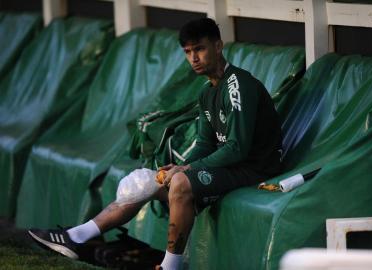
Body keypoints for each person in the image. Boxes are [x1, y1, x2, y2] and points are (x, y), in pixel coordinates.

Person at [28, 18, 283, 270]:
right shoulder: (207, 93)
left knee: (182, 182)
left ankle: (170, 266)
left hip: (255, 169)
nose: (193, 58)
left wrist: (186, 171)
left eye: (200, 49)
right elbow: (206, 143)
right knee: (146, 182)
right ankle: (75, 237)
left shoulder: (238, 85)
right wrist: (181, 166)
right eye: (187, 52)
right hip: (229, 167)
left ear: (218, 46)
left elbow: (237, 148)